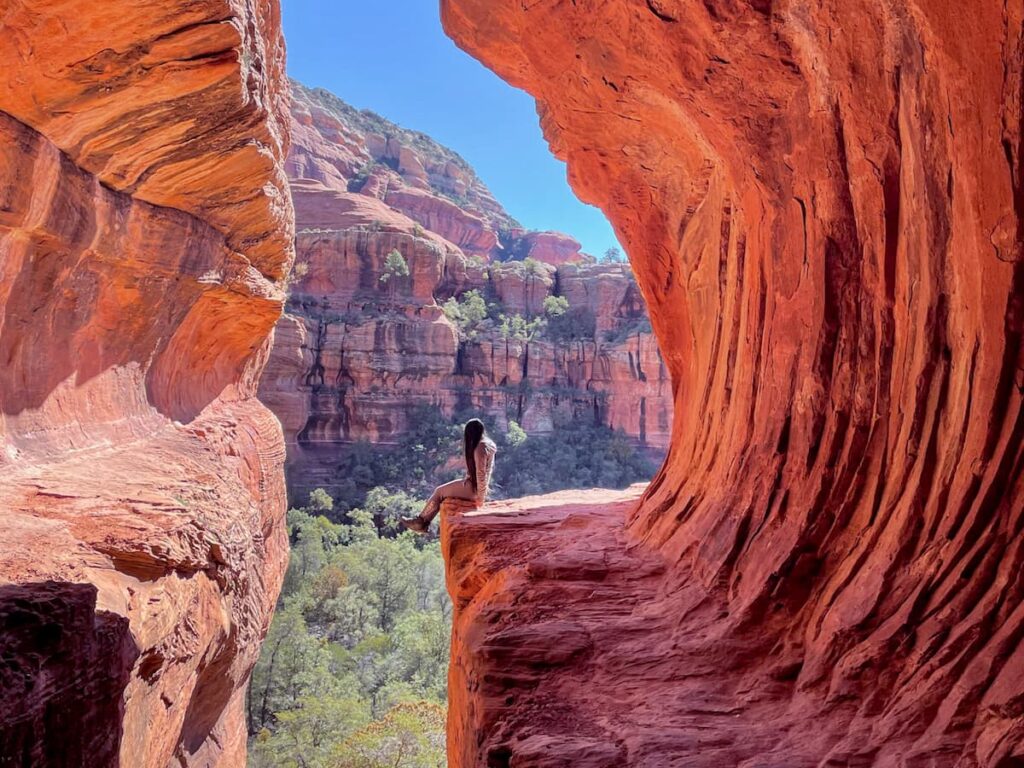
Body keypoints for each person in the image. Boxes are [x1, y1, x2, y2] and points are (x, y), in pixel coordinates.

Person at [400, 418, 496, 534]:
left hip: (473, 488)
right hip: (474, 486)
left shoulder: (480, 447)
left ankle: (421, 522)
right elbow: (486, 472)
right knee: (441, 491)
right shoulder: (488, 444)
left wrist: (480, 498)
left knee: (439, 492)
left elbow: (481, 474)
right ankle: (421, 521)